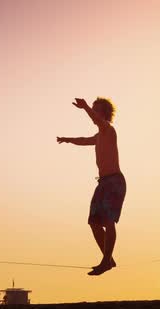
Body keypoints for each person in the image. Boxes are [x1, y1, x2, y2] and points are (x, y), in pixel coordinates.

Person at [57, 97, 126, 276]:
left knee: (109, 221)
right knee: (94, 222)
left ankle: (105, 261)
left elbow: (96, 120)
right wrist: (67, 139)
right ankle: (108, 259)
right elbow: (84, 140)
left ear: (103, 114)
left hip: (114, 182)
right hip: (102, 183)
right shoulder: (99, 136)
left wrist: (86, 107)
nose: (94, 113)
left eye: (97, 110)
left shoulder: (109, 130)